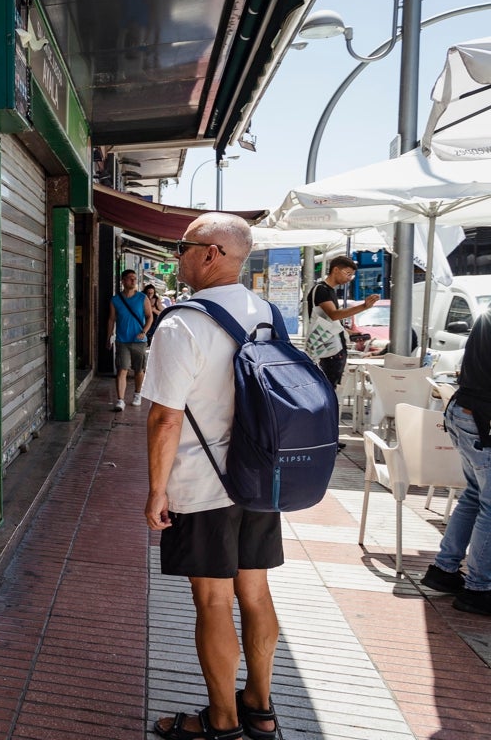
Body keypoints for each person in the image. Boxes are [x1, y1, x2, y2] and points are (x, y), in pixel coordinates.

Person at [142, 213, 283, 740]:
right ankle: (261, 709)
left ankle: (221, 721)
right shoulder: (268, 314)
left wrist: (158, 491)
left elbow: (165, 417)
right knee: (256, 593)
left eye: (183, 246)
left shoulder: (182, 322)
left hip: (203, 484)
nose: (176, 255)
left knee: (213, 601)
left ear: (210, 254)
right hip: (260, 480)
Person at [420, 308, 491, 616]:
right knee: (487, 504)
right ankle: (478, 588)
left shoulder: (486, 315)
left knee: (475, 495)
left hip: (464, 410)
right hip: (482, 417)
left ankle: (445, 569)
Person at [306, 256, 380, 390]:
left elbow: (330, 319)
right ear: (335, 270)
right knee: (326, 388)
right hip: (327, 350)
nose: (349, 278)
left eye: (351, 275)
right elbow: (333, 315)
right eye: (348, 274)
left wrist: (348, 332)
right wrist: (363, 306)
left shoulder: (329, 291)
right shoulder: (322, 290)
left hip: (332, 348)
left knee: (330, 387)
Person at [107, 269, 153, 411]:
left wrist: (144, 331)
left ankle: (137, 394)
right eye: (130, 278)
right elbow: (111, 319)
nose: (133, 281)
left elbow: (149, 316)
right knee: (122, 369)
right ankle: (120, 400)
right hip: (122, 340)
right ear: (123, 281)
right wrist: (108, 337)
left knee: (139, 370)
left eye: (134, 278)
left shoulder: (142, 298)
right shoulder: (115, 300)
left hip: (139, 340)